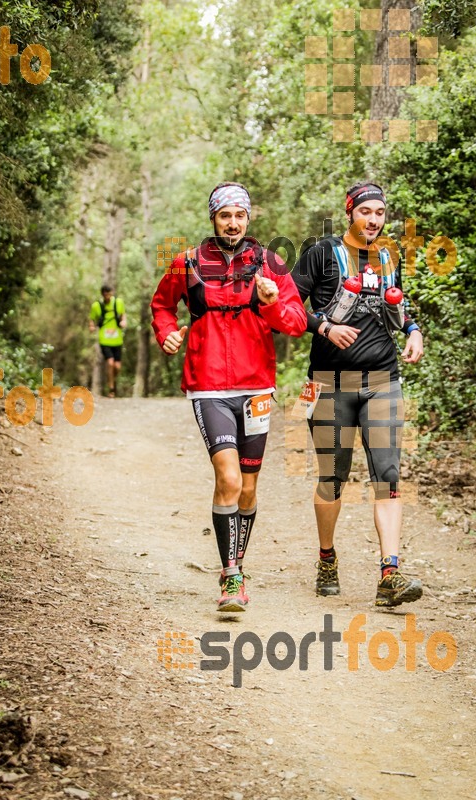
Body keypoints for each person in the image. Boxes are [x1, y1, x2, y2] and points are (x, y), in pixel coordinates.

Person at [151, 182, 306, 612]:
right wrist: (167, 333)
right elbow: (162, 306)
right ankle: (232, 579)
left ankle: (234, 564)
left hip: (256, 386)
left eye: (239, 215)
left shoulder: (270, 264)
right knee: (229, 480)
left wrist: (272, 304)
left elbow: (295, 322)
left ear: (249, 218)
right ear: (213, 219)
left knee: (250, 488)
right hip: (208, 386)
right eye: (225, 216)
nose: (232, 223)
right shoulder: (187, 263)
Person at [291, 181, 424, 607]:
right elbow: (288, 308)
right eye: (365, 211)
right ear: (350, 212)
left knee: (386, 476)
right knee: (333, 478)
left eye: (380, 213)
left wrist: (413, 330)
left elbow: (398, 306)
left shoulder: (388, 256)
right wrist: (325, 326)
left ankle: (390, 573)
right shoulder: (322, 253)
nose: (372, 219)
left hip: (383, 379)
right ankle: (326, 558)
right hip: (329, 384)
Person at [89, 285, 127, 397]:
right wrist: (91, 327)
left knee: (117, 367)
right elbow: (92, 319)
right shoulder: (96, 306)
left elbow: (123, 316)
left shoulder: (118, 302)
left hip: (117, 339)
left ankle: (112, 380)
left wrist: (124, 322)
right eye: (105, 294)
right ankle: (111, 388)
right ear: (102, 294)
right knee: (110, 362)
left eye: (109, 294)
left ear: (112, 293)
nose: (107, 296)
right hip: (104, 339)